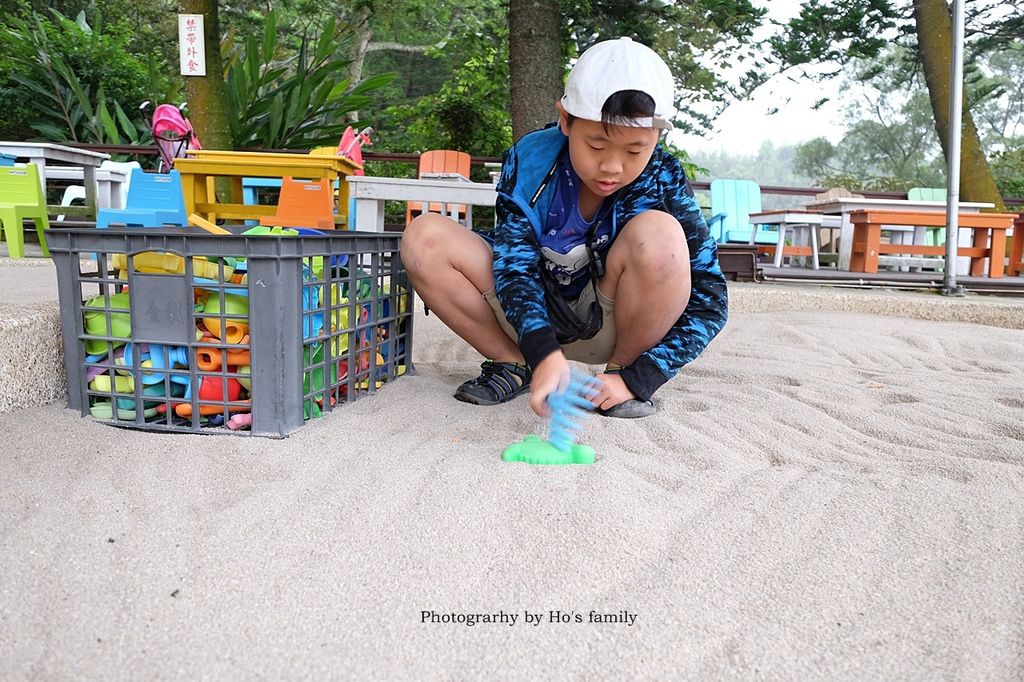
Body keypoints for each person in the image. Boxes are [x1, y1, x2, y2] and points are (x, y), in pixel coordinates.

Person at [400, 37, 728, 419]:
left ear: (658, 138)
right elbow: (513, 262)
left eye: (635, 150)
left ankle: (618, 379)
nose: (612, 167)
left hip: (613, 325)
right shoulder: (530, 158)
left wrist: (641, 376)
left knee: (663, 235)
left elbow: (711, 298)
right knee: (424, 236)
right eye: (597, 144)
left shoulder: (663, 177)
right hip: (522, 317)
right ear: (565, 119)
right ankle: (513, 364)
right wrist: (541, 352)